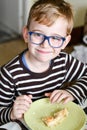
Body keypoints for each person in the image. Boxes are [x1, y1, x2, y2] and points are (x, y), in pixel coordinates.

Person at [0, 0, 87, 125]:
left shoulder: (64, 61)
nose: (45, 44)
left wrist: (72, 92)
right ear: (26, 34)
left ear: (65, 42)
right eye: (38, 35)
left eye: (55, 38)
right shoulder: (9, 74)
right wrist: (11, 113)